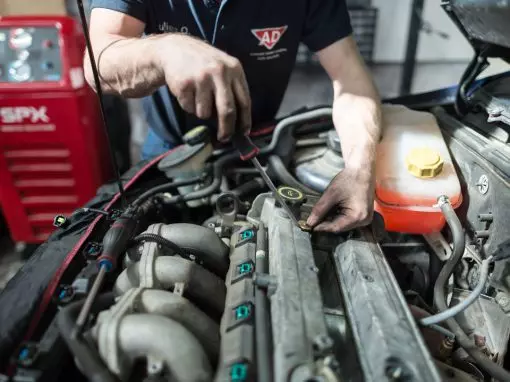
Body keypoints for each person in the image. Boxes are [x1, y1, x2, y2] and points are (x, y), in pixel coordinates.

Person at [85, 0, 382, 233]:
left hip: (254, 155)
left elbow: (351, 77)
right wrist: (165, 50)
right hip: (169, 157)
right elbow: (98, 62)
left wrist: (360, 170)